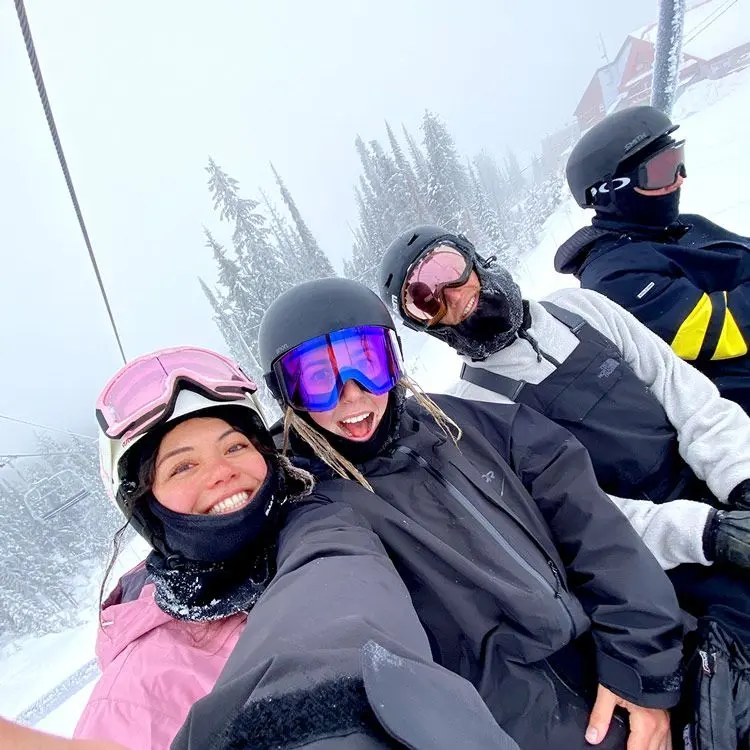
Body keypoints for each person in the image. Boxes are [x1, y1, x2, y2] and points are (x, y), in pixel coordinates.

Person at [259, 277, 689, 750]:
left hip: (630, 668)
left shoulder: (473, 426)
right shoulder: (315, 510)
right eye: (319, 380)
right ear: (288, 395)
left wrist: (642, 672)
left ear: (393, 360)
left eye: (368, 363)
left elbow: (596, 531)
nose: (353, 394)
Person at [68, 346, 516, 750]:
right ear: (145, 505)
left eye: (235, 446)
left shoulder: (317, 521)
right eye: (183, 466)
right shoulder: (131, 698)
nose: (221, 472)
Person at [379, 224, 750, 638]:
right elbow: (583, 518)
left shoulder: (582, 310)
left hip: (716, 481)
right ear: (426, 327)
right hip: (660, 554)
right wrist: (707, 532)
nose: (453, 296)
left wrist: (740, 479)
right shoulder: (475, 409)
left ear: (474, 259)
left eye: (449, 267)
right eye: (425, 299)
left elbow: (683, 391)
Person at [554, 104, 750, 414]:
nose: (678, 180)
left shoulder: (678, 225)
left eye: (678, 162)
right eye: (660, 172)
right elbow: (721, 331)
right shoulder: (613, 278)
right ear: (610, 191)